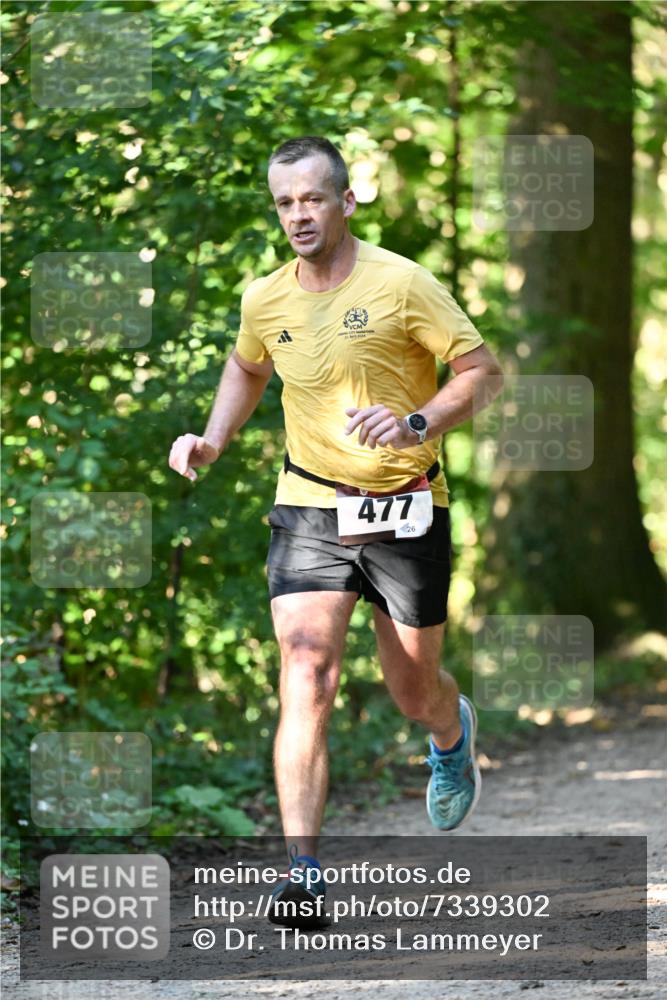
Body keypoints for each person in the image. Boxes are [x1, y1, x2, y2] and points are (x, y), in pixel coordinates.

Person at [168, 136, 504, 928]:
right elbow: (248, 368)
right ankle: (305, 872)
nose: (297, 216)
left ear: (345, 202)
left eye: (311, 199)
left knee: (410, 690)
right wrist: (212, 440)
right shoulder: (266, 298)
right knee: (306, 674)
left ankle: (449, 734)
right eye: (284, 202)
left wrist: (417, 418)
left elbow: (482, 372)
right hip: (309, 504)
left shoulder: (403, 283)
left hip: (406, 502)